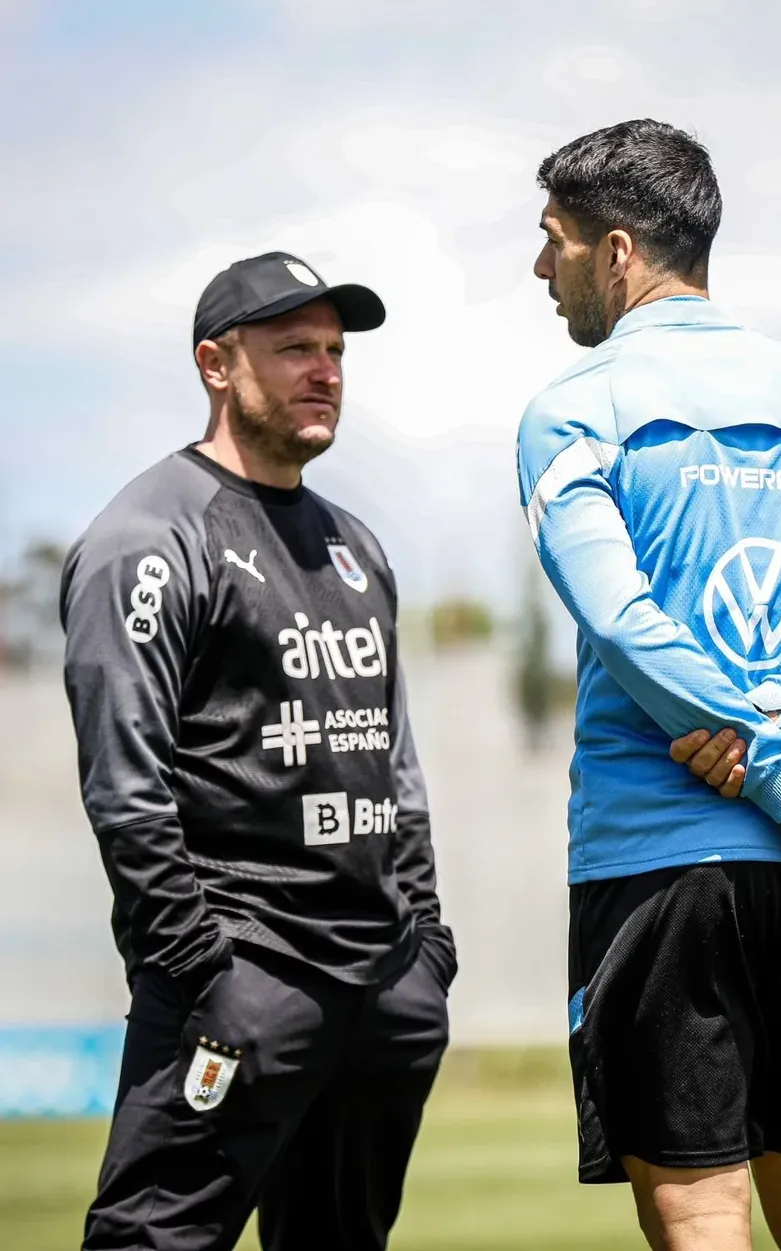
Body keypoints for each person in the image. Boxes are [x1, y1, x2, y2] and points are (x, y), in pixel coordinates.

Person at [516, 120, 781, 1251]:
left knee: (701, 1215)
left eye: (550, 241)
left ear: (615, 254)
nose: (537, 268)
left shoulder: (571, 410)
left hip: (661, 865)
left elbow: (623, 624)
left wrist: (765, 761)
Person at [60, 251, 457, 1251]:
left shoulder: (356, 546)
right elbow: (124, 782)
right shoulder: (148, 536)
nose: (324, 372)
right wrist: (202, 966)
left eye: (333, 351)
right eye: (292, 351)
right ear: (215, 364)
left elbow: (393, 766)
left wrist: (426, 952)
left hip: (382, 988)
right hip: (244, 976)